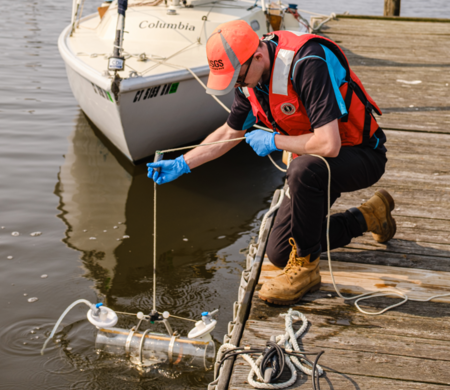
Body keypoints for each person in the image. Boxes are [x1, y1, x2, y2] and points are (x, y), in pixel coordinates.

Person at [147, 20, 396, 305]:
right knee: (279, 252)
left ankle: (307, 269)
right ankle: (368, 216)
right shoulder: (249, 80)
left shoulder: (306, 64)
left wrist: (275, 141)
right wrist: (182, 163)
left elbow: (329, 144)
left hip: (360, 155)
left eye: (238, 78)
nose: (237, 86)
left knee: (301, 169)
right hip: (317, 161)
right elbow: (230, 132)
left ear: (257, 56)